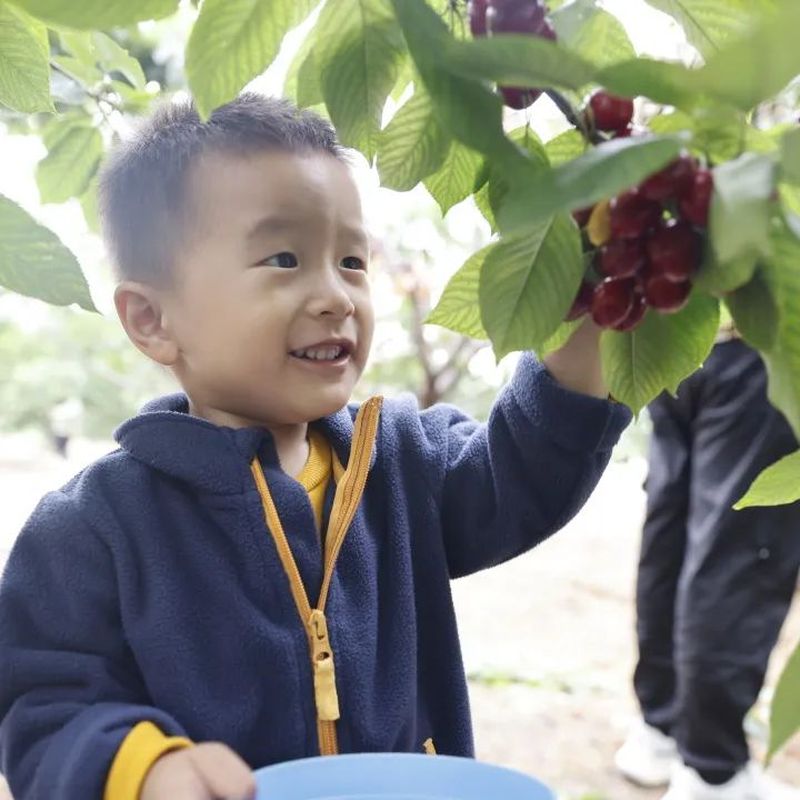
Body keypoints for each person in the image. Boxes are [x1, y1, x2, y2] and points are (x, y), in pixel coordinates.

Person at [0, 94, 631, 800]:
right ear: (152, 319)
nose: (336, 294)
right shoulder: (91, 530)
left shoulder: (401, 460)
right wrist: (145, 769)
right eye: (284, 257)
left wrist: (594, 311)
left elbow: (521, 477)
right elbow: (43, 709)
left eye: (353, 260)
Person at [615, 336, 800, 800]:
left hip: (684, 335)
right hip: (761, 338)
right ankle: (711, 773)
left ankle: (660, 730)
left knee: (671, 534)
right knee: (740, 549)